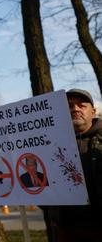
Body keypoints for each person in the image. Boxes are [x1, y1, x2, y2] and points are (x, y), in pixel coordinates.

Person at [52, 89, 102, 240]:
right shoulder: (54, 146)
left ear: (93, 112)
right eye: (69, 106)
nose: (75, 109)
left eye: (81, 105)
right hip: (67, 230)